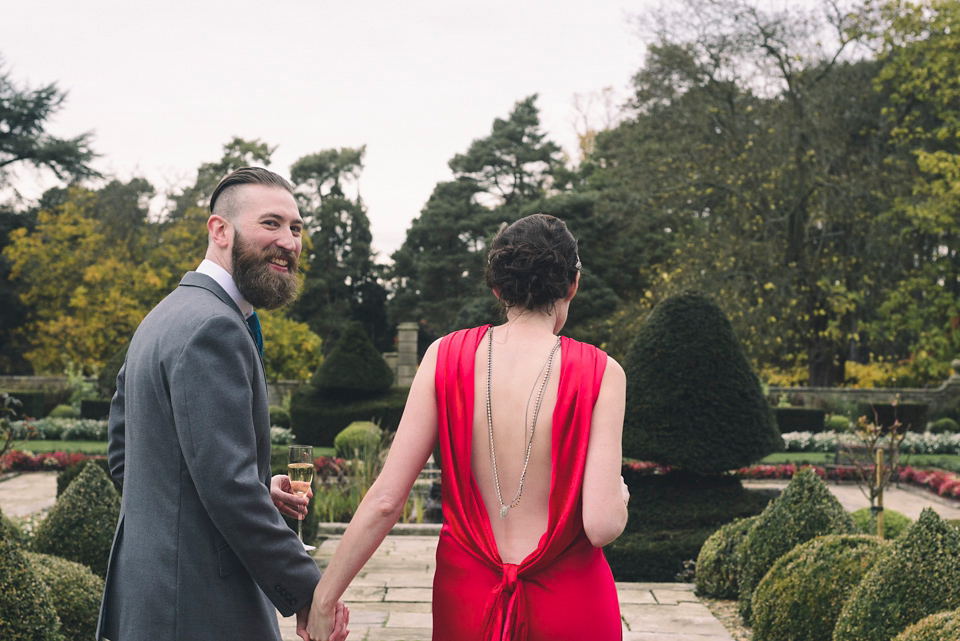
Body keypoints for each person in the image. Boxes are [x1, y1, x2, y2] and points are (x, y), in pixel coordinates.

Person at [306, 213, 629, 641]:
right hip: (572, 602)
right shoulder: (603, 372)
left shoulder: (444, 357)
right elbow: (602, 525)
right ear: (573, 283)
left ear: (497, 288)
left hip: (468, 598)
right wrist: (619, 495)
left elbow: (386, 500)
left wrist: (323, 599)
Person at [97, 167, 348, 641]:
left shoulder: (164, 314)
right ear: (220, 230)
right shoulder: (215, 327)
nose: (289, 242)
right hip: (197, 607)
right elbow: (226, 487)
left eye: (296, 229)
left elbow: (123, 455)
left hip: (151, 599)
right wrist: (310, 590)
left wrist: (253, 490)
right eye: (271, 224)